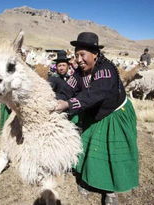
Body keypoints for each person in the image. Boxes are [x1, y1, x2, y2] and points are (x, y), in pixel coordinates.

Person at [55, 32, 139, 205]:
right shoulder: (78, 73)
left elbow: (95, 94)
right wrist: (58, 99)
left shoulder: (105, 70)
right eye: (76, 55)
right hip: (94, 112)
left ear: (95, 54)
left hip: (114, 114)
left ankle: (110, 190)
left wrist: (68, 105)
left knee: (110, 151)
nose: (78, 59)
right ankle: (87, 178)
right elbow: (67, 88)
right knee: (86, 144)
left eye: (82, 55)